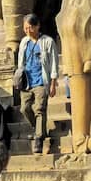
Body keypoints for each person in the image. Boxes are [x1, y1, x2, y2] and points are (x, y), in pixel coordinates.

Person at [16, 13, 59, 154]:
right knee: (24, 109)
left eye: (30, 27)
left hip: (41, 80)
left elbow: (53, 63)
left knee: (40, 109)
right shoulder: (24, 42)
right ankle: (39, 129)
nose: (28, 31)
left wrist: (53, 83)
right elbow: (20, 63)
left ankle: (39, 138)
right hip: (27, 82)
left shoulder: (47, 42)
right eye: (25, 28)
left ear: (37, 26)